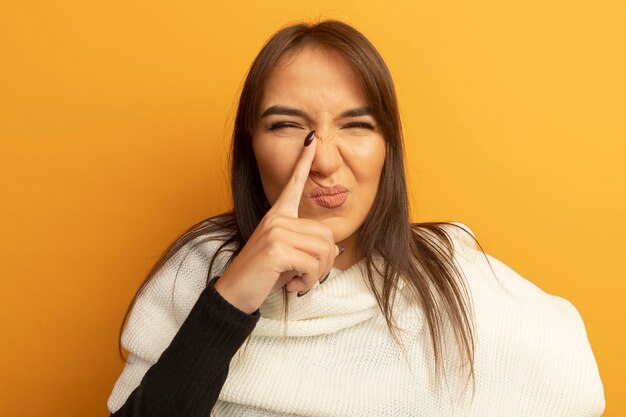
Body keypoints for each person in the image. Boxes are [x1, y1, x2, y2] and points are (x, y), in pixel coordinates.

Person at [106, 20, 605, 417]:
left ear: (388, 149)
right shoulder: (200, 269)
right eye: (286, 125)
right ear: (249, 151)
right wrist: (233, 297)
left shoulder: (457, 276)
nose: (323, 160)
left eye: (357, 125)